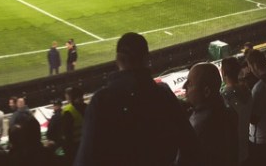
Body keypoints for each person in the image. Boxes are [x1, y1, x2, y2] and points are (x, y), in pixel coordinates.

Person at [73, 32, 199, 166]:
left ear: (118, 59)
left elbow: (86, 159)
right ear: (146, 58)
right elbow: (190, 144)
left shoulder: (101, 101)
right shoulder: (164, 95)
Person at [184, 62, 238, 166]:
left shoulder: (201, 126)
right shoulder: (227, 111)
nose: (184, 87)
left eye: (189, 84)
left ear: (206, 91)